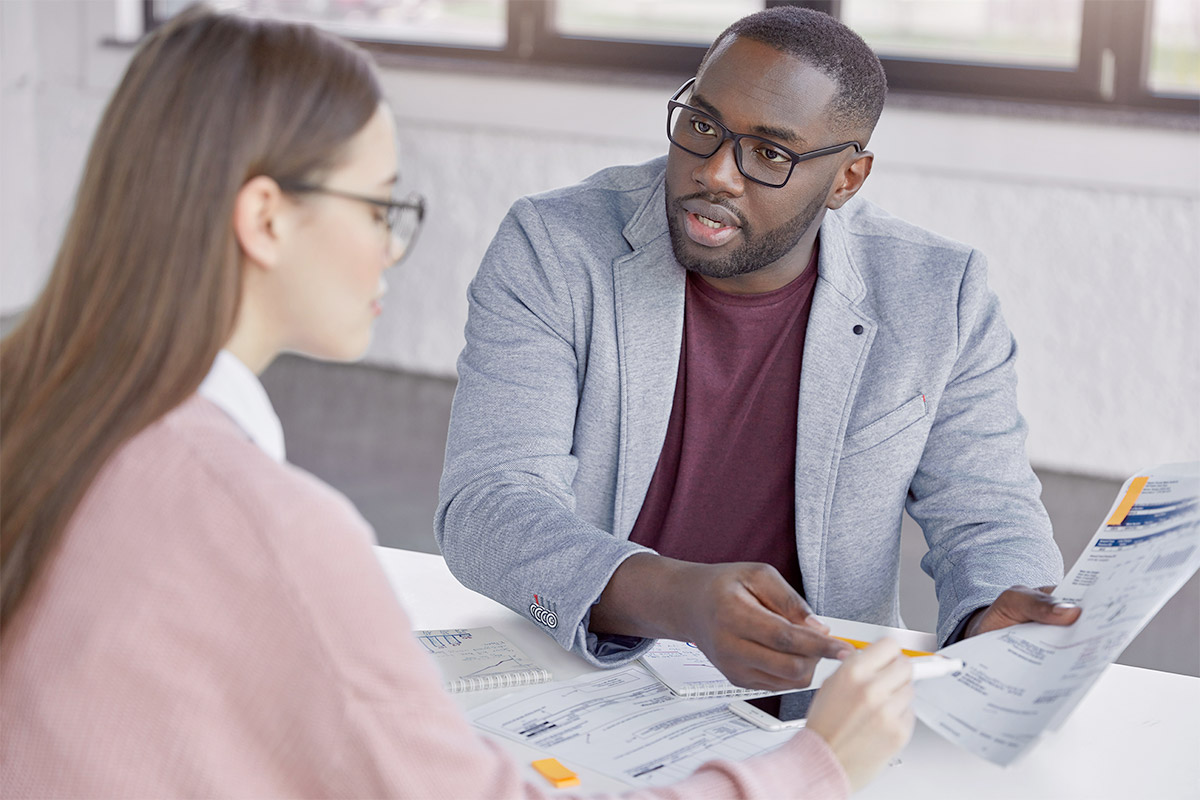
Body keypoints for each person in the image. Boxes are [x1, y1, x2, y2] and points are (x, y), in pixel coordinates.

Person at [1, 5, 913, 797]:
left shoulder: (36, 418)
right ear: (267, 218)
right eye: (379, 206)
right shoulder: (270, 531)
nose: (389, 249)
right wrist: (820, 764)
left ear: (847, 178)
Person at [436, 5, 1082, 691]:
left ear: (846, 180)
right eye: (702, 125)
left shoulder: (939, 296)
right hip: (585, 675)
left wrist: (990, 617)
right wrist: (679, 600)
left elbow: (990, 517)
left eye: (771, 153)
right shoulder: (554, 247)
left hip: (816, 694)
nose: (716, 173)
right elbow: (488, 507)